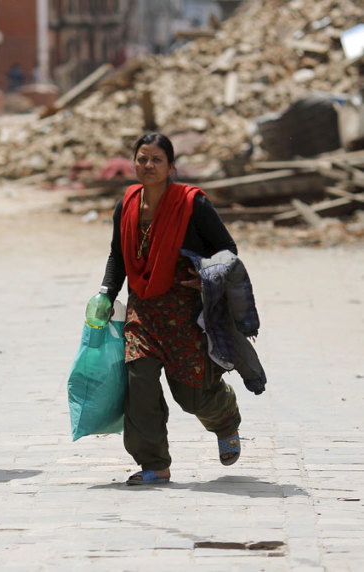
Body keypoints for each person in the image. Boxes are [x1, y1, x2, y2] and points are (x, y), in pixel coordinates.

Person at [98, 132, 243, 485]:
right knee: (139, 387)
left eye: (156, 160)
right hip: (142, 312)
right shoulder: (127, 204)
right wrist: (105, 292)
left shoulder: (192, 204)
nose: (147, 165)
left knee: (192, 394)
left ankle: (225, 420)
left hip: (185, 313)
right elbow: (118, 255)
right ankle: (155, 464)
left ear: (171, 167)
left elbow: (227, 249)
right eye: (142, 158)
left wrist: (207, 276)